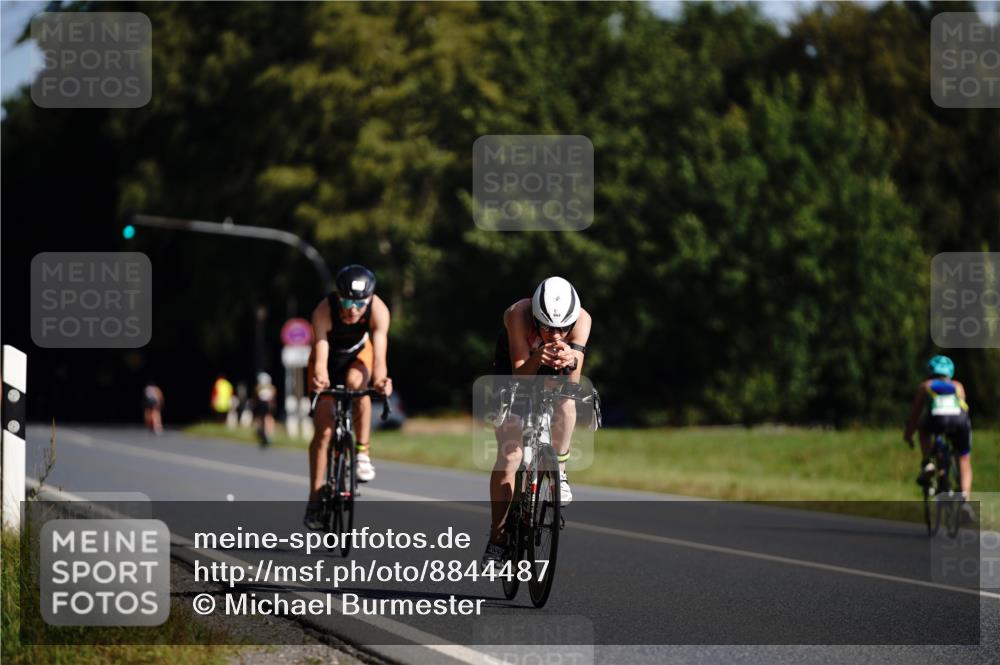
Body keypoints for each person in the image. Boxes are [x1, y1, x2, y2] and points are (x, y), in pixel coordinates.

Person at [482, 276, 592, 568]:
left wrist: (571, 357)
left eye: (562, 329)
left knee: (566, 400)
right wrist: (539, 355)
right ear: (535, 318)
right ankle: (498, 535)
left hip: (550, 370)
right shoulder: (518, 314)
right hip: (514, 368)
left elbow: (573, 381)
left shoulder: (582, 320)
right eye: (547, 327)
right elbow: (519, 374)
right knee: (511, 454)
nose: (556, 335)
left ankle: (561, 470)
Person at [303, 264, 392, 529]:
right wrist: (320, 379)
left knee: (358, 385)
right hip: (328, 358)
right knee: (325, 431)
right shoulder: (323, 311)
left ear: (369, 299)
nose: (352, 309)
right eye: (346, 301)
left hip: (358, 356)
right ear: (337, 296)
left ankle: (362, 453)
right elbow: (320, 358)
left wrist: (381, 381)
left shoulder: (379, 310)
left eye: (359, 303)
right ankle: (315, 497)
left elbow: (380, 355)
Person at [904, 355, 974, 517]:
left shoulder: (926, 385)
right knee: (963, 459)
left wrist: (909, 434)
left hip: (936, 420)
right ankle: (965, 499)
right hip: (959, 422)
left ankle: (928, 461)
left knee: (923, 429)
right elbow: (964, 408)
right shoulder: (958, 386)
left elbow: (915, 414)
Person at [253, 372, 277, 447]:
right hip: (265, 405)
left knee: (265, 419)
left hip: (264, 404)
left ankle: (266, 433)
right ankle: (265, 433)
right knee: (265, 418)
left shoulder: (259, 387)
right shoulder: (270, 388)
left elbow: (256, 396)